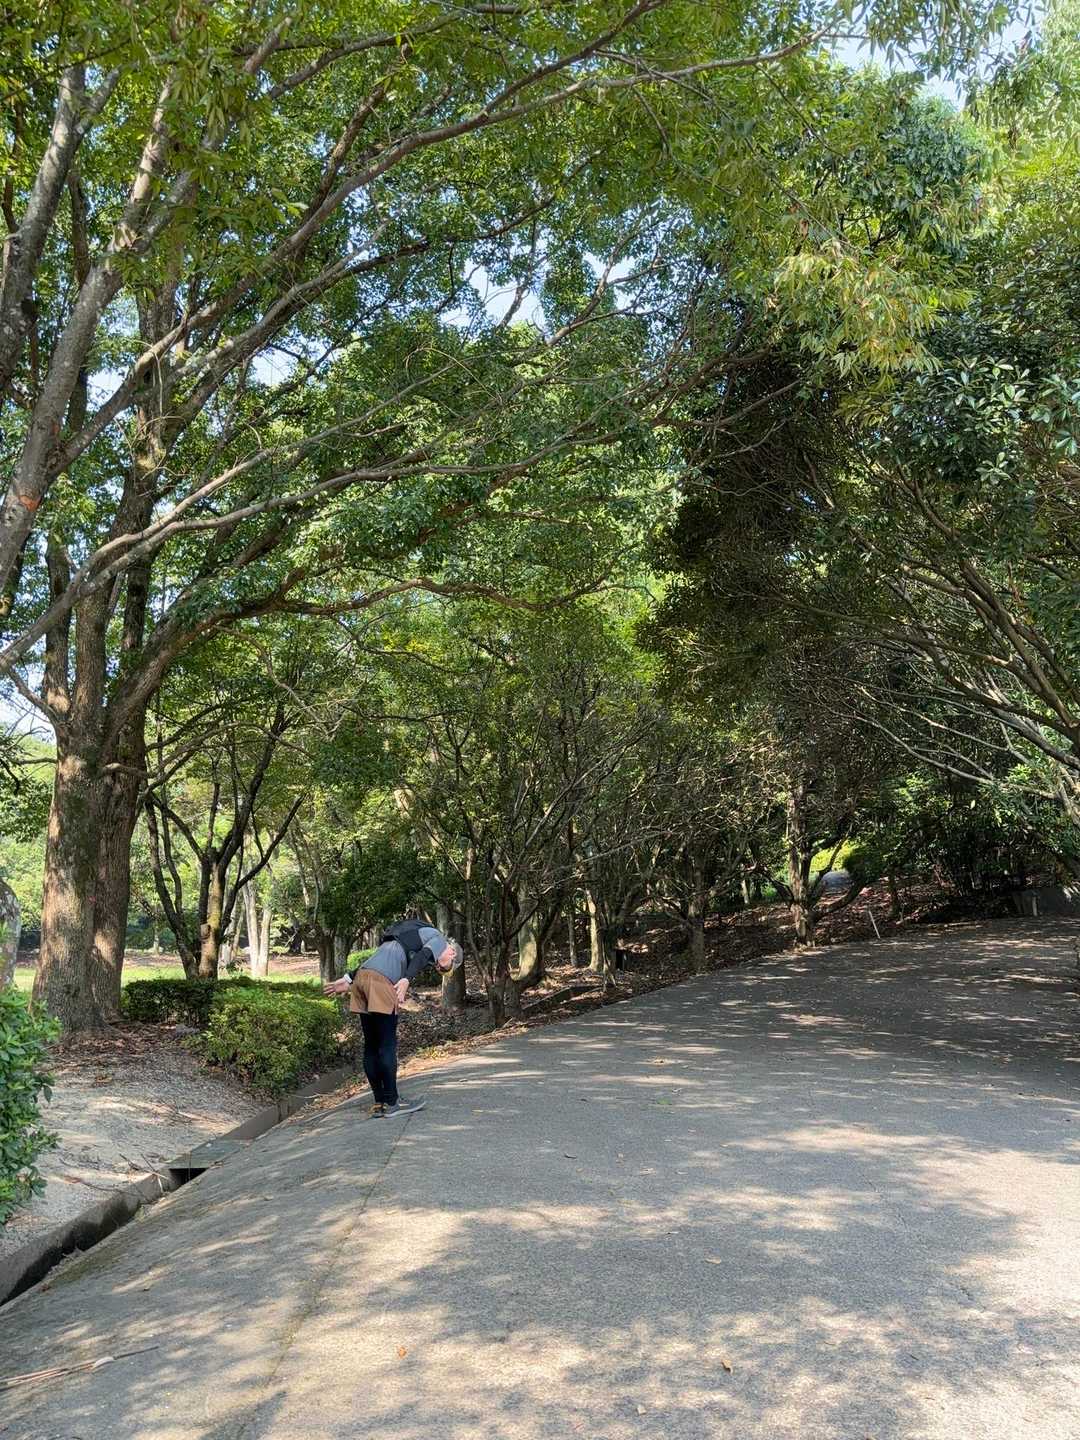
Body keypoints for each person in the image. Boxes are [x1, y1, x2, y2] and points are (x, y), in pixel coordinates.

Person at [323, 920, 461, 1118]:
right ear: (452, 954)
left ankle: (380, 1103)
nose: (439, 967)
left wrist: (348, 978)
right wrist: (406, 978)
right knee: (386, 1045)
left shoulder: (402, 938)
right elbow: (423, 955)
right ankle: (392, 1102)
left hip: (362, 978)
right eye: (444, 967)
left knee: (371, 1045)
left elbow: (378, 957)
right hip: (382, 981)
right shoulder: (439, 939)